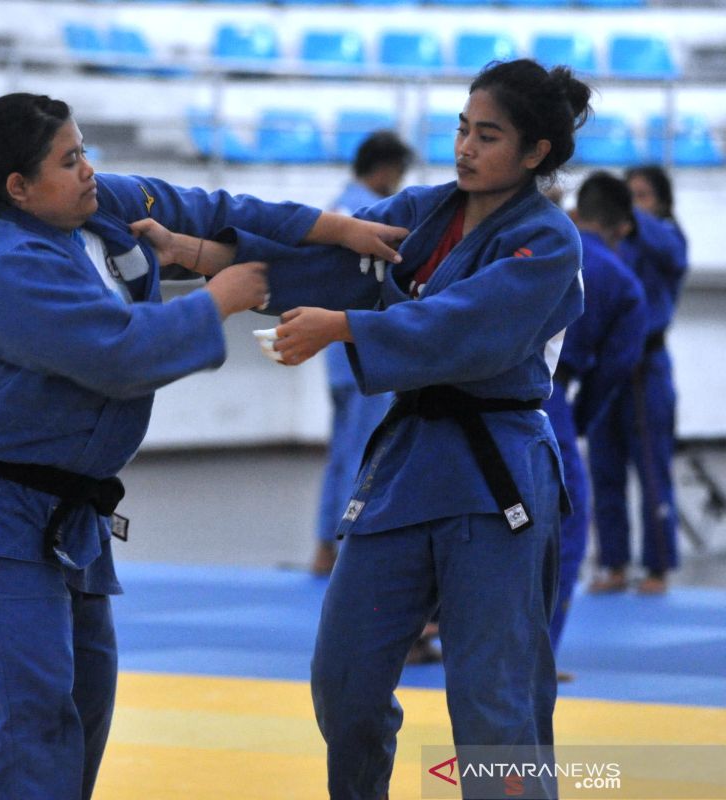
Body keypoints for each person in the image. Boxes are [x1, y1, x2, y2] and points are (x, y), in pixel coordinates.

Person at [0, 93, 407, 800]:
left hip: (63, 511)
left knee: (82, 703)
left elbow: (213, 206)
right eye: (68, 161)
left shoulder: (93, 207)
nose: (87, 170)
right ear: (18, 188)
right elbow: (121, 351)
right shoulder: (1, 263)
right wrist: (218, 298)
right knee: (20, 724)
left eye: (84, 150)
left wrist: (335, 227)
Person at [154, 59, 590, 798]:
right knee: (344, 683)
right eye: (462, 128)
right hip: (409, 464)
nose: (465, 148)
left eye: (488, 136)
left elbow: (467, 327)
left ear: (535, 152)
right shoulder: (425, 212)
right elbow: (327, 260)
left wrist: (347, 326)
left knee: (493, 705)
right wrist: (196, 254)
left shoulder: (547, 244)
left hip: (496, 478)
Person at [545, 172, 646, 670]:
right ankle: (537, 657)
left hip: (475, 386)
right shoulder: (623, 282)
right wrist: (579, 420)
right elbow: (615, 369)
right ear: (623, 226)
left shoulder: (538, 241)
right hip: (549, 396)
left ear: (579, 212)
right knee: (565, 526)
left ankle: (428, 627)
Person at [314, 130, 414, 578]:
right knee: (364, 453)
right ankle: (347, 550)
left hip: (336, 351)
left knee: (341, 451)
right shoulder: (372, 216)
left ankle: (323, 547)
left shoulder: (336, 208)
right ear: (386, 169)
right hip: (365, 349)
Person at [586, 164, 688, 595]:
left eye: (642, 195)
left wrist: (621, 205)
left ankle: (657, 567)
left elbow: (671, 253)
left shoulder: (666, 238)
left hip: (647, 369)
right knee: (604, 468)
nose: (634, 203)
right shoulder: (612, 245)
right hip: (604, 368)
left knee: (651, 469)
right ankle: (613, 563)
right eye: (628, 195)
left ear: (661, 202)